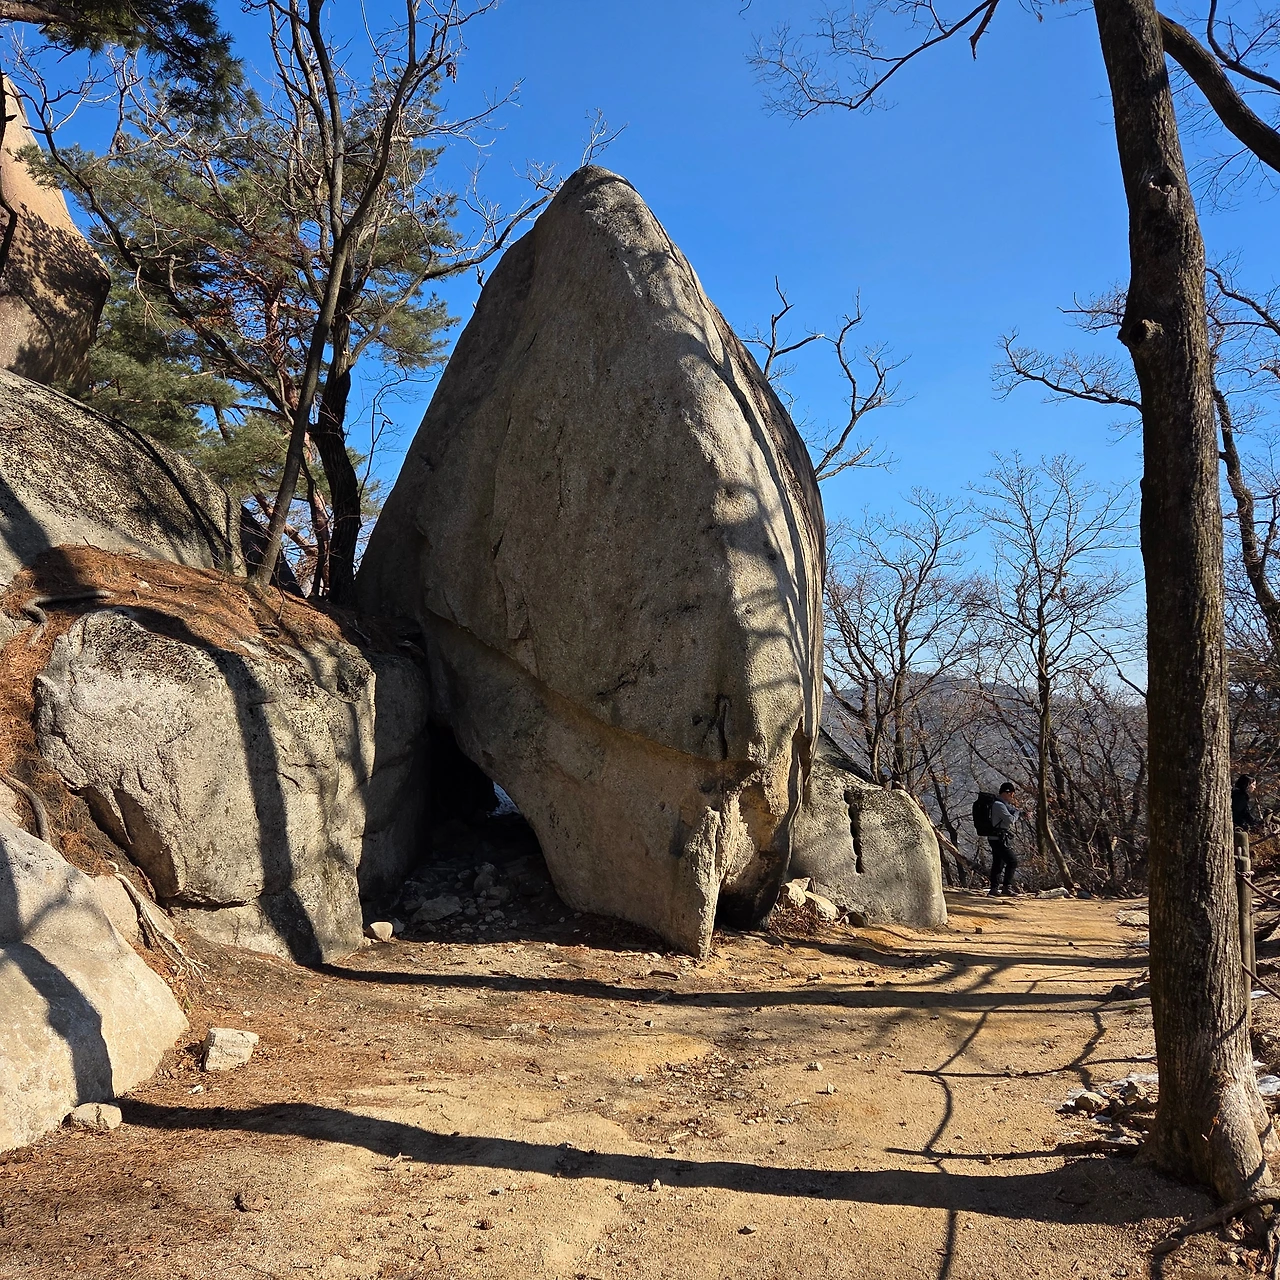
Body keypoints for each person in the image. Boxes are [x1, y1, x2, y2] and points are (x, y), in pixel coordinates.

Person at [988, 782, 1020, 898]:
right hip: (998, 838)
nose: (1012, 796)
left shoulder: (999, 804)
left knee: (998, 863)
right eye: (1011, 794)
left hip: (996, 837)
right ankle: (1006, 887)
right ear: (1006, 793)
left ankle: (994, 888)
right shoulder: (998, 805)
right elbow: (1010, 820)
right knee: (1012, 861)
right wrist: (1017, 813)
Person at [1233, 774, 1264, 841]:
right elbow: (1240, 813)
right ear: (1247, 784)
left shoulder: (1237, 793)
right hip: (1236, 827)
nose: (1254, 787)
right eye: (1253, 784)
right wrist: (1252, 822)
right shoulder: (1240, 796)